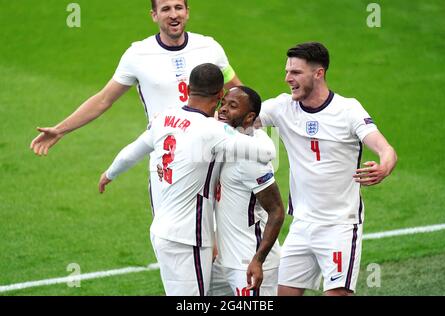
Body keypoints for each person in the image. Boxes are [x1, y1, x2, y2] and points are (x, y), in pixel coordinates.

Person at [29, 0, 241, 211]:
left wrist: (251, 124)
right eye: (165, 9)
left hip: (211, 152)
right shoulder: (138, 55)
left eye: (178, 8)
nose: (173, 14)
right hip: (166, 159)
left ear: (187, 12)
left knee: (221, 232)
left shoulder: (209, 47)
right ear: (154, 15)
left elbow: (238, 93)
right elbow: (104, 99)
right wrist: (60, 130)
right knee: (167, 233)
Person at [98, 63, 275, 296]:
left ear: (188, 88)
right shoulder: (212, 130)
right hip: (188, 237)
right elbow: (266, 153)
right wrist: (258, 131)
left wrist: (109, 174)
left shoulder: (165, 117)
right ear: (220, 94)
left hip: (161, 230)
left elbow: (133, 151)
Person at [256, 42, 397, 296]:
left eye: (296, 72)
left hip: (339, 227)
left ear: (318, 73)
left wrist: (384, 166)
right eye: (288, 71)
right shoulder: (282, 107)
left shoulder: (348, 110)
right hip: (301, 225)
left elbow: (386, 149)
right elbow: (241, 119)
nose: (288, 78)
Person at [207, 87, 285, 296]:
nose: (223, 110)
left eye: (232, 106)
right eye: (223, 103)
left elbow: (277, 211)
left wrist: (258, 261)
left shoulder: (251, 159)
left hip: (249, 262)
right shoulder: (226, 139)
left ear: (250, 117)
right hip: (223, 260)